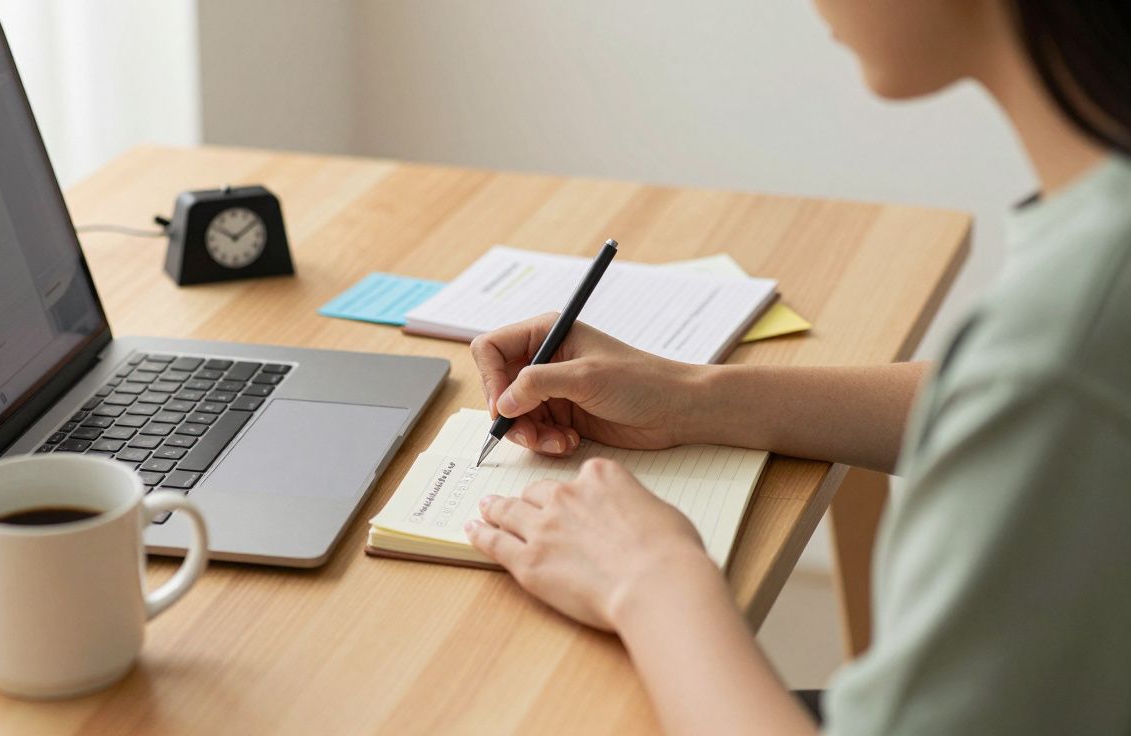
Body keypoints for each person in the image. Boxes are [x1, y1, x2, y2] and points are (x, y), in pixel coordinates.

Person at [463, 1, 1131, 732]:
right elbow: (1010, 392)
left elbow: (1040, 384)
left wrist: (651, 579)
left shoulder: (1064, 334)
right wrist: (691, 396)